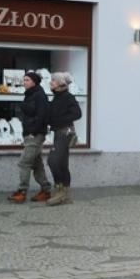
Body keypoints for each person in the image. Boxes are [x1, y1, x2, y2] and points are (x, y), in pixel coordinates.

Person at [8, 71, 53, 203]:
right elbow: (31, 113)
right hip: (30, 133)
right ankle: (46, 190)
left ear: (34, 82)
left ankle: (22, 191)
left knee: (24, 162)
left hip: (35, 134)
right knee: (36, 164)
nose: (24, 82)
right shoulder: (30, 95)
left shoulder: (39, 96)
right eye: (24, 80)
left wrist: (33, 132)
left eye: (27, 80)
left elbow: (42, 115)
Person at [44, 72, 82, 207]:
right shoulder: (57, 98)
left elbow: (77, 113)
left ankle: (61, 191)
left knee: (53, 160)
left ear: (61, 84)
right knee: (61, 163)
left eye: (53, 81)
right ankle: (63, 192)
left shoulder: (68, 97)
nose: (50, 83)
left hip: (65, 132)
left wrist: (59, 121)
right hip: (58, 133)